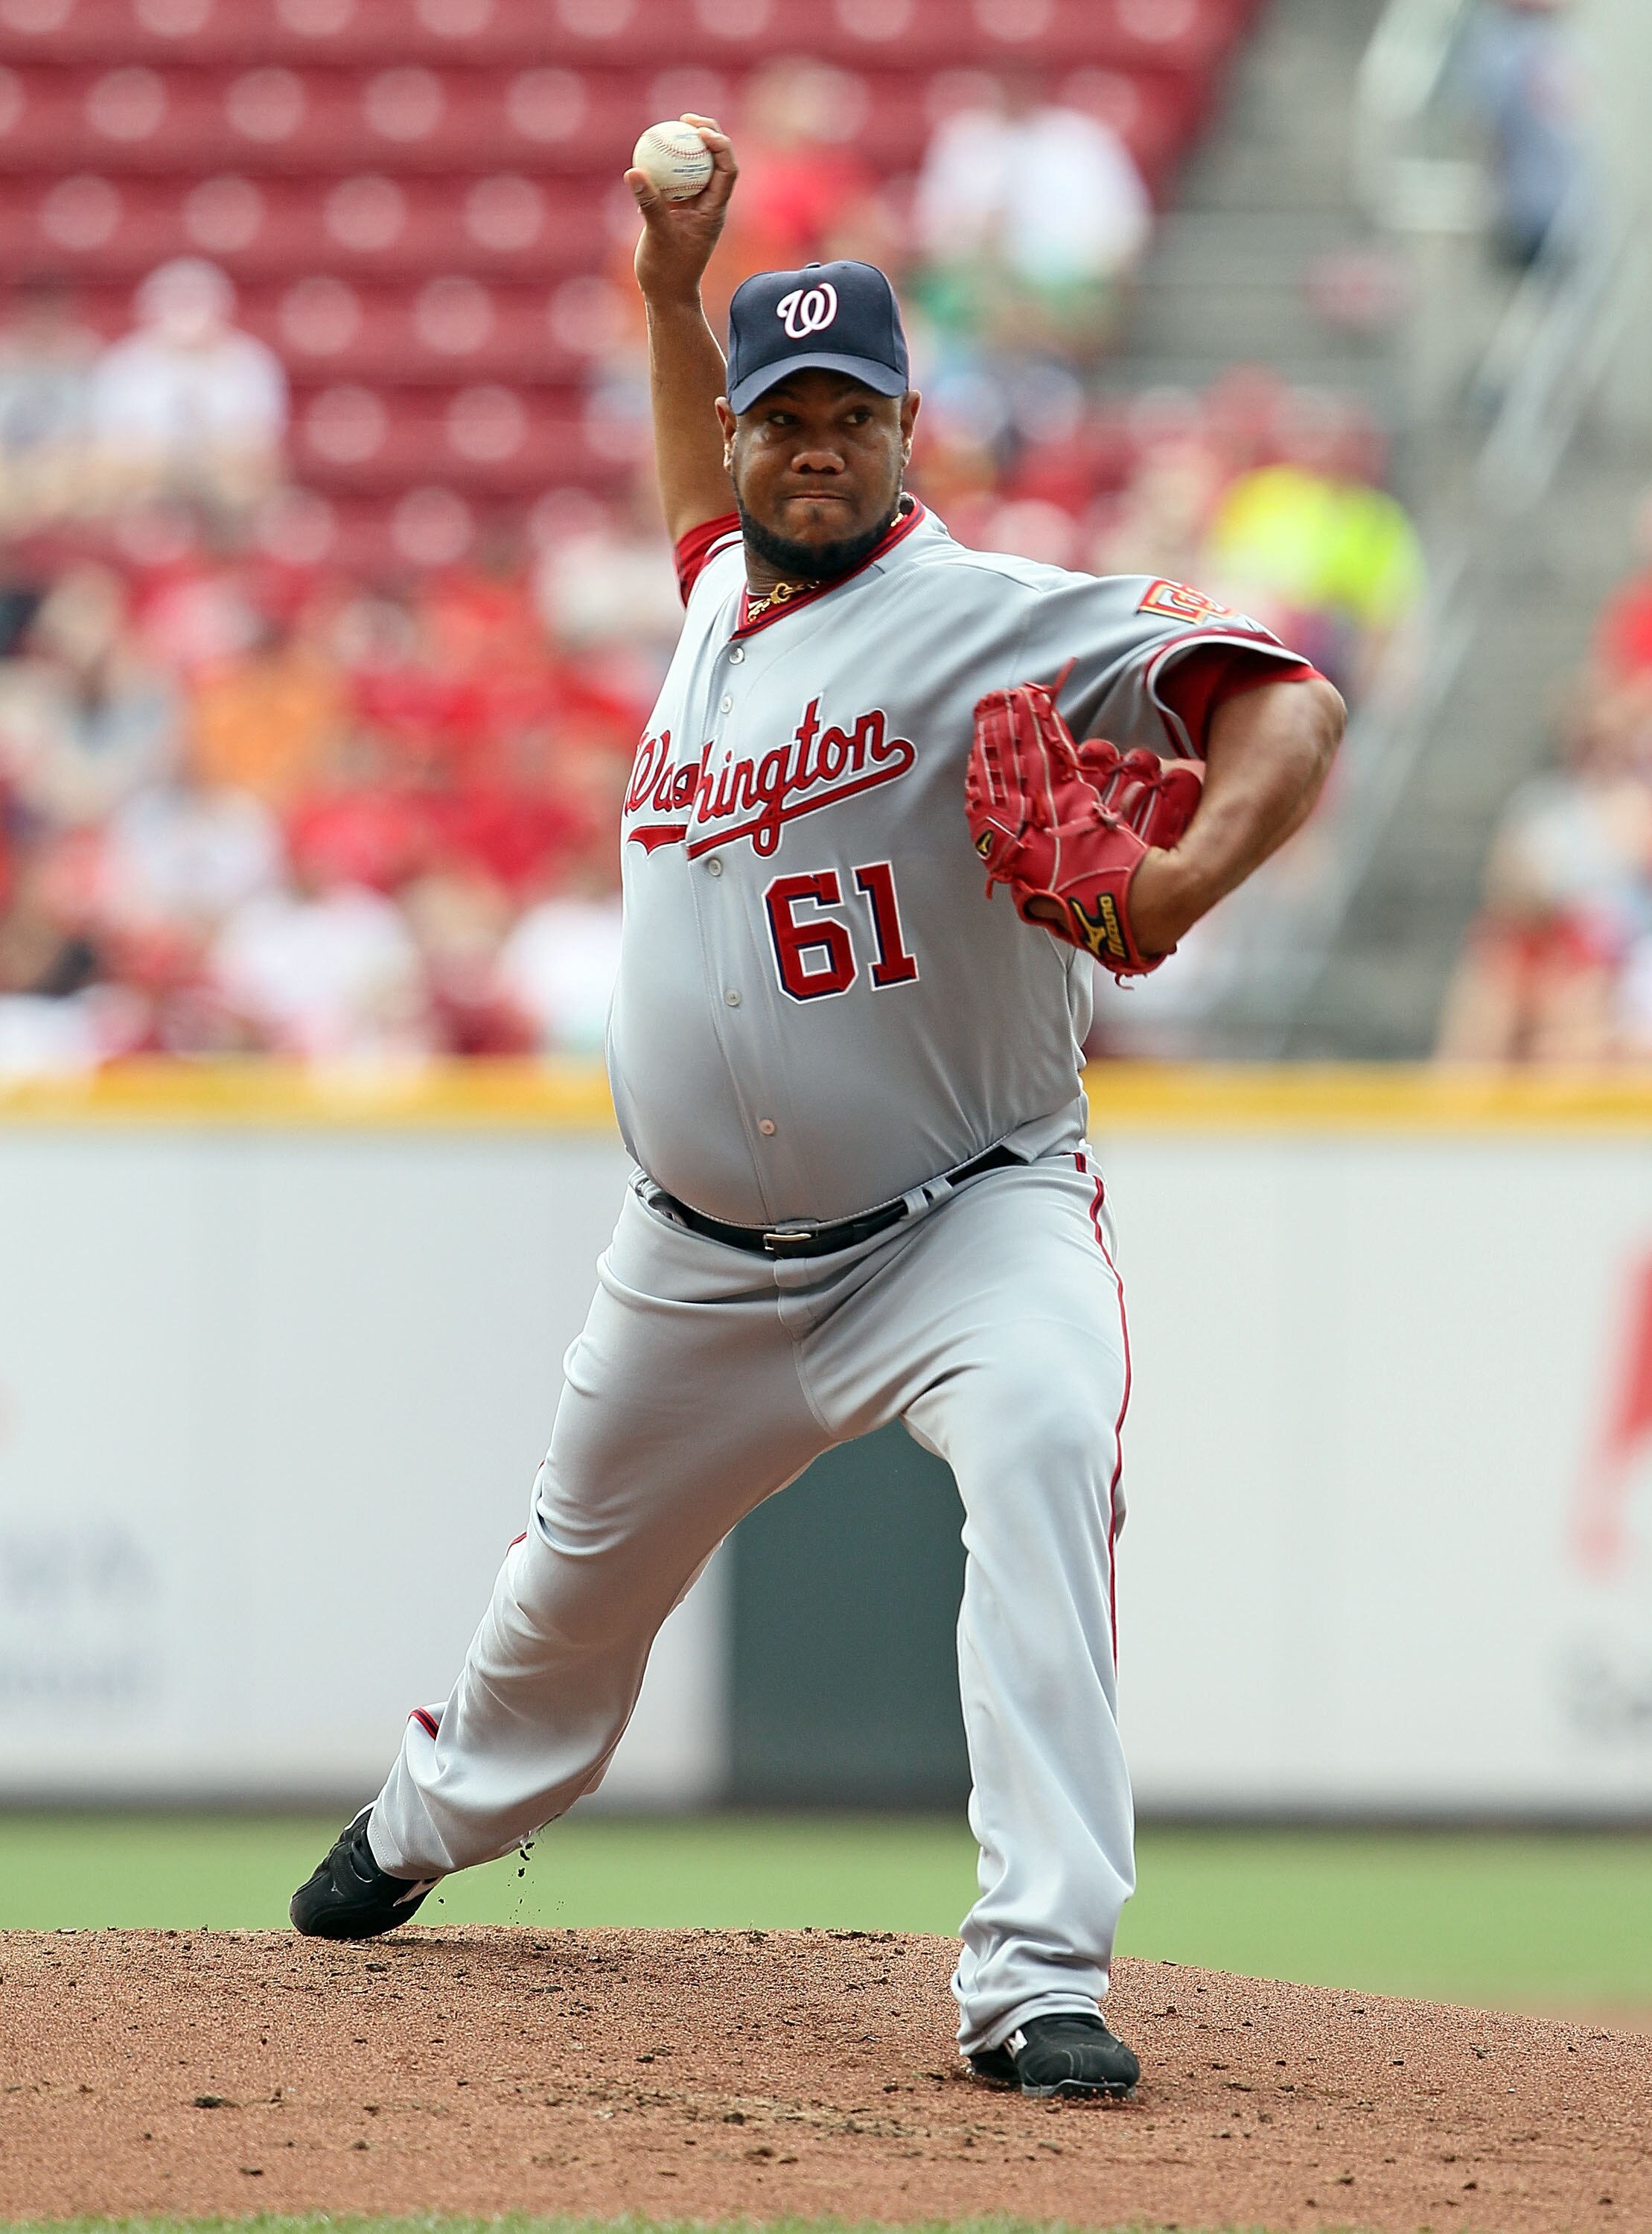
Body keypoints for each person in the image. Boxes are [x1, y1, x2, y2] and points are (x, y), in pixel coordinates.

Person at [289, 118, 1342, 2099]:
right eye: (784, 416)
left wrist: (1172, 897)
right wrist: (668, 297)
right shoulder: (719, 593)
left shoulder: (993, 614)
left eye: (848, 414)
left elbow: (1288, 700)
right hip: (689, 1264)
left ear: (904, 429)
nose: (809, 448)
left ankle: (1034, 1972)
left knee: (1042, 1443)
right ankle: (432, 1822)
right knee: (557, 1609)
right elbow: (694, 476)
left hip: (966, 1221)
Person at [89, 258, 287, 515]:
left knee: (246, 490)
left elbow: (263, 450)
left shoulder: (250, 363)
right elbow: (111, 450)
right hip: (142, 486)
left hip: (226, 486)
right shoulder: (124, 365)